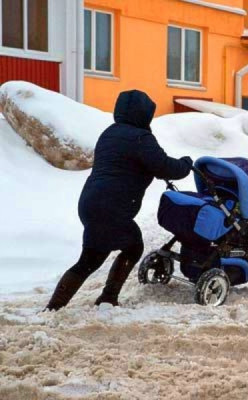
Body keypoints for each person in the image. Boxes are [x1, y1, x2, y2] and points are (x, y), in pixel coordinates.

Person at [46, 90, 192, 311]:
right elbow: (165, 166)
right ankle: (108, 298)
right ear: (142, 114)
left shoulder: (109, 133)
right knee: (133, 247)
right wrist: (185, 163)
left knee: (90, 259)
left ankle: (54, 308)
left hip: (90, 203)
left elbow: (131, 164)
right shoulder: (141, 138)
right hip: (112, 208)